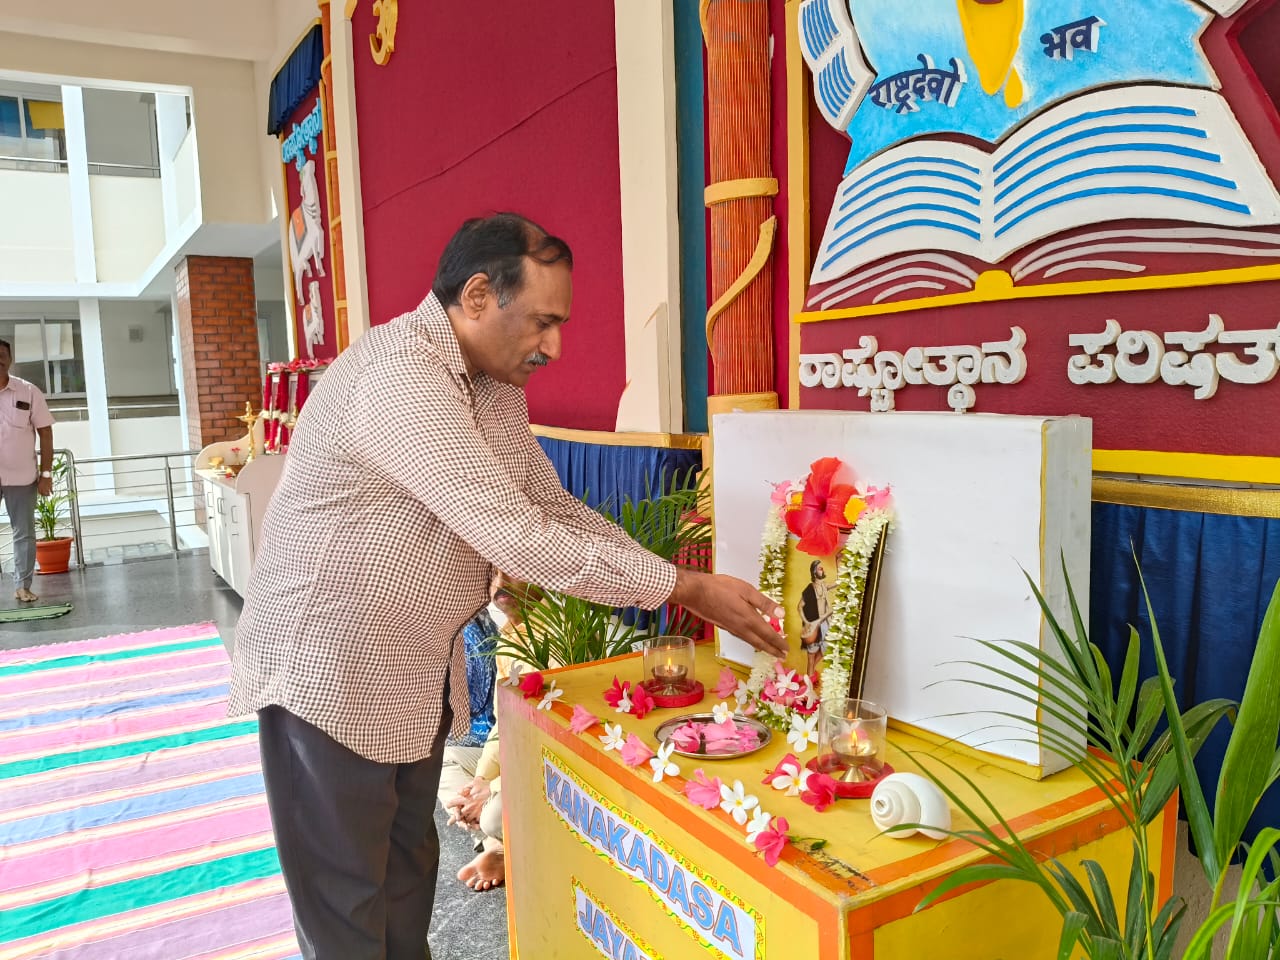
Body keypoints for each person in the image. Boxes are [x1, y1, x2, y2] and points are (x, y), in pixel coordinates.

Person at [227, 212, 787, 960]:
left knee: (403, 883)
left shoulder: (493, 389)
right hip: (327, 670)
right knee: (346, 910)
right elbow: (514, 536)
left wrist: (684, 580)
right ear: (481, 293)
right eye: (543, 322)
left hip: (409, 666)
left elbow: (551, 510)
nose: (554, 346)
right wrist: (684, 587)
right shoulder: (403, 375)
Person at [0, 338, 55, 604]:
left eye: (2, 355)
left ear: (9, 359)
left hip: (22, 477)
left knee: (23, 532)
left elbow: (45, 432)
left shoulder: (28, 391)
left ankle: (22, 586)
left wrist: (46, 474)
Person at [799, 559, 832, 675]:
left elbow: (839, 582)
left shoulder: (824, 586)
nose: (822, 570)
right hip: (813, 625)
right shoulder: (810, 588)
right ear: (814, 572)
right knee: (811, 658)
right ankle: (809, 686)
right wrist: (807, 622)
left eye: (822, 568)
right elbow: (800, 606)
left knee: (827, 648)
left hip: (825, 624)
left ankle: (810, 677)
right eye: (819, 568)